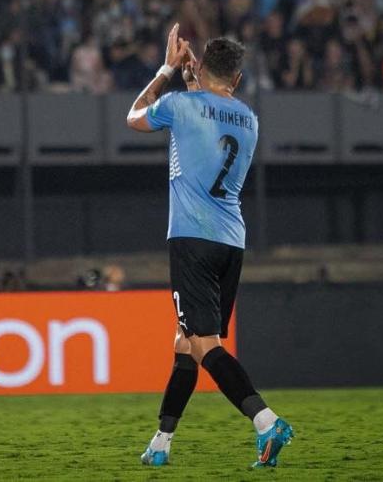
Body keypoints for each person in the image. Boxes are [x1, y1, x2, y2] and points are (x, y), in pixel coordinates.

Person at [126, 24, 294, 469]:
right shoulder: (249, 119)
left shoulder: (180, 106)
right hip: (230, 241)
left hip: (191, 238)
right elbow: (210, 120)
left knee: (203, 344)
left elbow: (134, 116)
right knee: (186, 341)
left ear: (199, 67)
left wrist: (167, 70)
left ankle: (266, 421)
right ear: (237, 79)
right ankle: (161, 442)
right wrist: (194, 84)